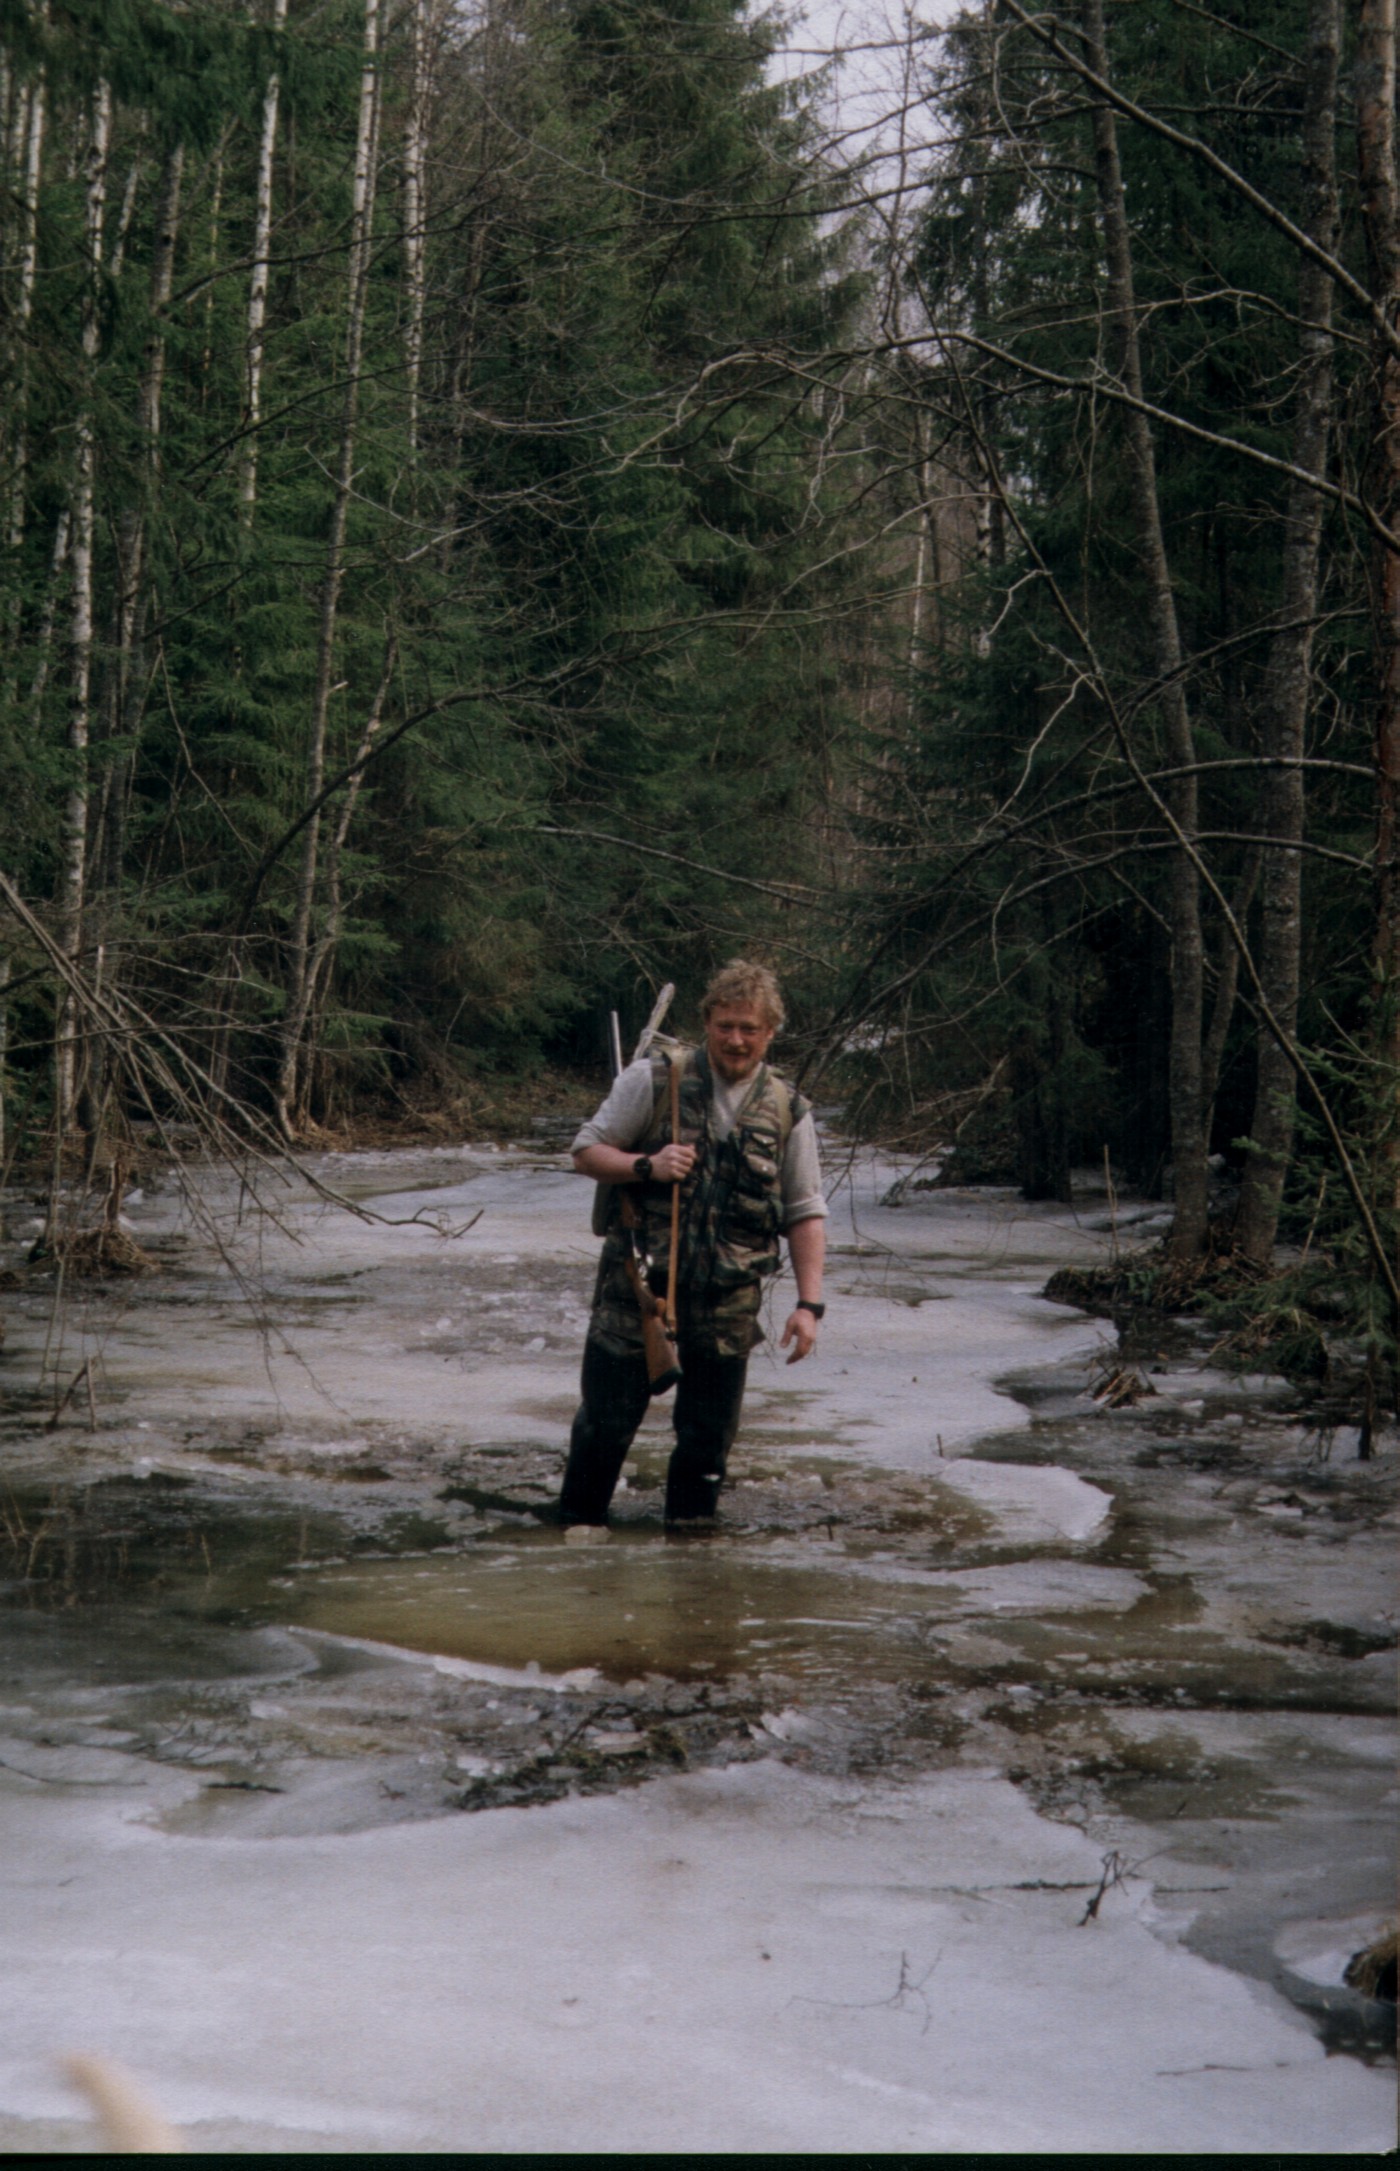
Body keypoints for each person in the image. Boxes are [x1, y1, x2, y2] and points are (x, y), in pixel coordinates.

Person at [558, 959, 826, 1528]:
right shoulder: (654, 1080)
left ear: (770, 1033)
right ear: (707, 1021)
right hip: (637, 1295)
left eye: (749, 1029)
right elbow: (586, 1151)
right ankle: (571, 1547)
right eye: (726, 1025)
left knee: (707, 1447)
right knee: (603, 1430)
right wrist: (645, 1165)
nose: (736, 1039)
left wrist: (809, 1305)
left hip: (728, 1308)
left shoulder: (788, 1110)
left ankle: (692, 1569)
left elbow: (804, 1212)